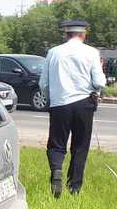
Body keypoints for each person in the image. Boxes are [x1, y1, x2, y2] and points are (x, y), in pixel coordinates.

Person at [39, 20, 107, 198]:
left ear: (66, 34)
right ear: (84, 34)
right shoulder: (91, 52)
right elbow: (99, 82)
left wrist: (54, 96)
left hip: (60, 104)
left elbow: (43, 84)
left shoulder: (53, 52)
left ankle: (56, 171)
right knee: (80, 146)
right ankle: (74, 187)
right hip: (84, 103)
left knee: (56, 143)